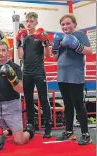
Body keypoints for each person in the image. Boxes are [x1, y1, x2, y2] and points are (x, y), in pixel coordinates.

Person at [52, 14, 93, 145]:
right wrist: (55, 46)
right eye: (63, 24)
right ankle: (69, 132)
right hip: (62, 76)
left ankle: (86, 134)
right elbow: (55, 58)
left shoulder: (80, 35)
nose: (65, 26)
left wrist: (76, 45)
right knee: (67, 105)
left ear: (74, 24)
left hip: (75, 76)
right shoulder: (60, 38)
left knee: (78, 105)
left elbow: (89, 51)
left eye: (68, 23)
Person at [0, 41, 34, 145]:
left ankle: (29, 131)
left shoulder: (15, 67)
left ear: (8, 52)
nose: (1, 53)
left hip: (12, 107)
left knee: (19, 141)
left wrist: (12, 78)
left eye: (3, 50)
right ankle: (8, 130)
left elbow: (21, 90)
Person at [16, 12, 52, 138]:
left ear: (36, 22)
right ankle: (31, 124)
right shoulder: (24, 38)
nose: (29, 24)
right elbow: (20, 56)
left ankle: (48, 126)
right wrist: (19, 43)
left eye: (31, 21)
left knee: (43, 98)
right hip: (27, 72)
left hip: (39, 72)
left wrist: (46, 41)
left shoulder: (40, 35)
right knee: (28, 99)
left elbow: (48, 55)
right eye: (27, 21)